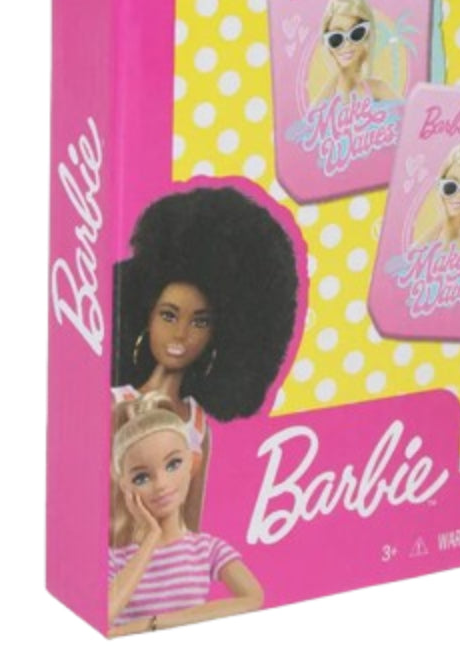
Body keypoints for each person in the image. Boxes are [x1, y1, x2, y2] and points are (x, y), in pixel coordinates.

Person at [112, 185, 300, 530]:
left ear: (220, 336)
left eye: (199, 322)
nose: (181, 334)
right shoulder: (117, 403)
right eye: (169, 315)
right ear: (145, 316)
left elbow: (191, 524)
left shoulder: (197, 423)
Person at [108, 393, 263, 635]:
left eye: (173, 465)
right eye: (141, 478)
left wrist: (153, 623)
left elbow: (253, 598)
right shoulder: (115, 560)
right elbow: (105, 614)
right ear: (125, 486)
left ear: (191, 462)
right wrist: (151, 538)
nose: (161, 485)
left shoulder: (206, 549)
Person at [314, 0, 399, 104]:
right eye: (336, 38)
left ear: (367, 35)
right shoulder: (324, 98)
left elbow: (408, 113)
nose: (347, 44)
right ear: (327, 44)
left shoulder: (379, 89)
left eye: (356, 33)